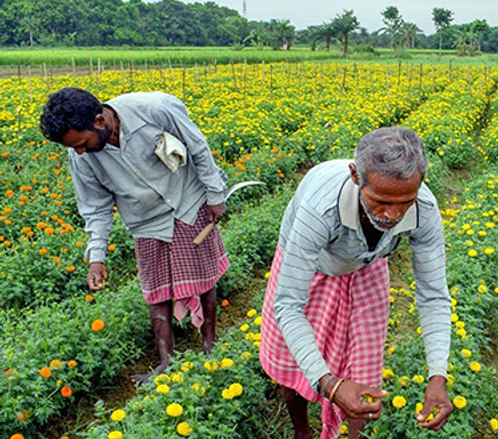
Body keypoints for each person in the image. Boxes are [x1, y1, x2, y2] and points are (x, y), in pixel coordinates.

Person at [259, 127, 453, 439]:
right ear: (354, 176)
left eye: (405, 201)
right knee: (292, 356)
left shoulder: (424, 210)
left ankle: (352, 435)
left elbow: (433, 295)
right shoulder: (320, 209)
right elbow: (288, 304)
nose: (392, 215)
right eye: (379, 201)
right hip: (315, 264)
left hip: (367, 264)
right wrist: (329, 384)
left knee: (363, 363)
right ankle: (302, 432)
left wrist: (438, 375)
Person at [40, 88, 229, 384]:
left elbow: (197, 146)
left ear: (100, 121)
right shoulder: (80, 156)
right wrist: (96, 257)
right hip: (144, 217)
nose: (78, 151)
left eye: (81, 143)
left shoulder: (154, 109)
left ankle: (210, 345)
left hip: (186, 199)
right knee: (156, 289)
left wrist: (215, 194)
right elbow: (95, 207)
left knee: (202, 278)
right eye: (72, 147)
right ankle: (167, 361)